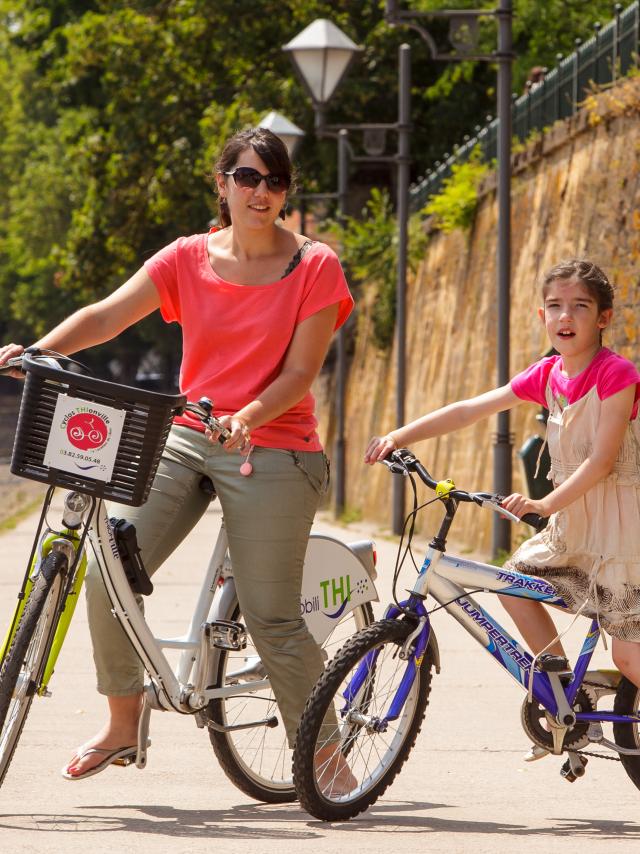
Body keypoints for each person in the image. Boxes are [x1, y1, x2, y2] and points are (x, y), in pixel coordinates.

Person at [0, 127, 355, 785]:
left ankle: (327, 756)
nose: (261, 192)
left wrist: (248, 417)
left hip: (276, 445)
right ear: (221, 183)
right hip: (190, 434)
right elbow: (107, 317)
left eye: (275, 181)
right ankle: (123, 722)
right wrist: (35, 351)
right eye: (248, 177)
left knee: (272, 615)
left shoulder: (315, 266)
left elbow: (301, 372)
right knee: (108, 562)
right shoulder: (187, 258)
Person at [365, 258, 640, 757]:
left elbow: (601, 462)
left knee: (629, 656)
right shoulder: (548, 375)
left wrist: (542, 503)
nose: (566, 316)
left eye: (580, 306)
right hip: (575, 527)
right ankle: (564, 692)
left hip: (625, 532)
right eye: (555, 305)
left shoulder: (616, 375)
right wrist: (397, 436)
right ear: (541, 316)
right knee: (512, 583)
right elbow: (470, 408)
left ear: (602, 318)